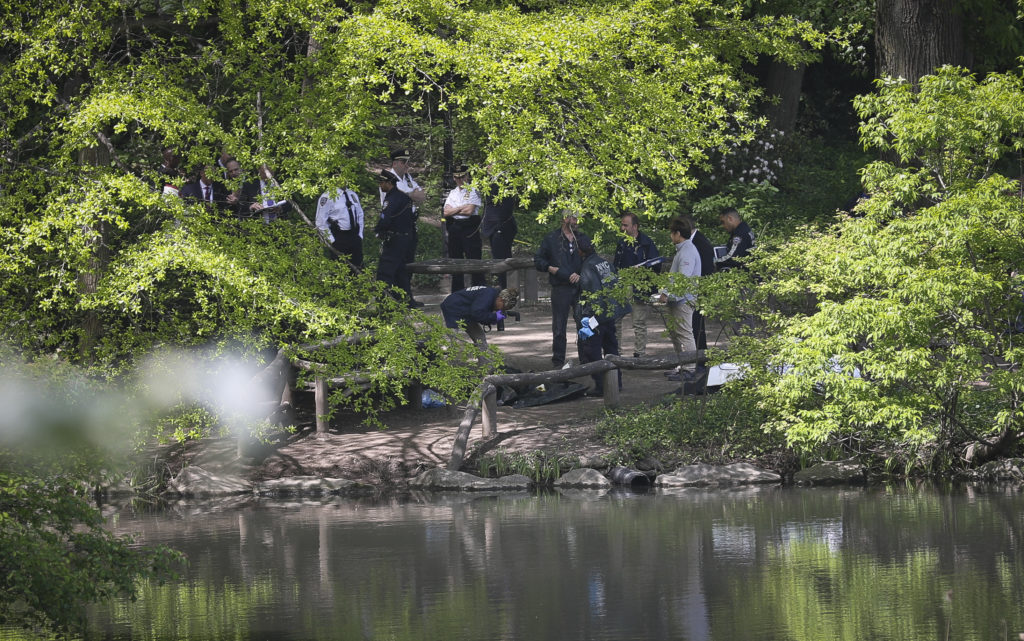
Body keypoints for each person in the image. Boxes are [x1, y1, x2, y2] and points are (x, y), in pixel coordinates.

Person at [534, 211, 590, 368]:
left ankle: (585, 360)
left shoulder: (583, 238)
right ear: (564, 218)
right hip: (560, 288)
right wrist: (550, 268)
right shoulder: (551, 239)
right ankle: (558, 361)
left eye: (577, 218)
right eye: (572, 217)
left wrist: (581, 274)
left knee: (583, 324)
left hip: (580, 288)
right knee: (559, 327)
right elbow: (538, 259)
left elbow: (591, 259)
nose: (575, 221)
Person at [576, 240, 630, 395]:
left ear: (581, 252)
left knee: (592, 350)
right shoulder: (604, 263)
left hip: (597, 316)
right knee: (611, 349)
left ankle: (602, 386)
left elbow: (592, 294)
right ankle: (616, 383)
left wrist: (588, 321)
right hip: (611, 312)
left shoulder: (587, 267)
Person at [380, 150, 425, 307]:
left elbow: (422, 196)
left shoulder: (408, 178)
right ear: (395, 163)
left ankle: (406, 297)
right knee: (394, 264)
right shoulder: (388, 178)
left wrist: (411, 194)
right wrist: (412, 194)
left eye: (408, 162)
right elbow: (406, 196)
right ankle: (393, 299)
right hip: (395, 224)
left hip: (409, 224)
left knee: (407, 263)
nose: (407, 165)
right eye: (404, 162)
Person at [613, 212, 661, 358]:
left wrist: (642, 271)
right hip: (622, 285)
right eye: (622, 224)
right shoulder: (621, 243)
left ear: (635, 226)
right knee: (615, 320)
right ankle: (616, 353)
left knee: (639, 322)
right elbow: (616, 264)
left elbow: (656, 266)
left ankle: (639, 354)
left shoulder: (647, 243)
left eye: (625, 225)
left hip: (640, 287)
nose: (622, 228)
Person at [659, 217, 701, 381]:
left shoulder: (688, 251)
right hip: (677, 299)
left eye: (672, 233)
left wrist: (666, 293)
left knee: (684, 334)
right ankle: (682, 365)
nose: (670, 236)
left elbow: (683, 277)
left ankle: (689, 368)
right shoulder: (682, 250)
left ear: (677, 234)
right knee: (677, 334)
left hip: (684, 300)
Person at [375, 171, 417, 306]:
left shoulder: (391, 199)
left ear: (389, 183)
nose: (380, 185)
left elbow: (385, 218)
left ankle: (384, 303)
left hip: (394, 239)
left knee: (385, 272)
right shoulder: (404, 197)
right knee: (401, 272)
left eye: (382, 182)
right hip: (406, 238)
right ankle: (406, 301)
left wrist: (378, 230)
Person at [442, 165, 484, 291]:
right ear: (454, 178)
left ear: (467, 176)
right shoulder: (453, 192)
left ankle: (478, 290)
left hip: (470, 228)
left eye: (462, 177)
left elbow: (469, 211)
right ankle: (457, 291)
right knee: (456, 261)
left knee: (474, 261)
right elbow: (445, 212)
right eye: (457, 177)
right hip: (455, 228)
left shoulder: (473, 190)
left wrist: (455, 209)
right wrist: (461, 208)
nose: (460, 180)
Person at [440, 286, 518, 349]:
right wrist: (495, 317)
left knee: (480, 338)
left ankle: (486, 367)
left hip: (467, 312)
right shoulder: (487, 295)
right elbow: (477, 315)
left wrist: (494, 317)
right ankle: (440, 366)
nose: (501, 310)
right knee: (448, 341)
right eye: (503, 308)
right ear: (500, 300)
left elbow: (477, 313)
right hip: (451, 309)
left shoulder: (491, 295)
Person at [684, 214, 715, 350]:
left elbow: (706, 268)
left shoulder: (700, 243)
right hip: (694, 289)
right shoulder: (692, 241)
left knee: (696, 326)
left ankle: (700, 360)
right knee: (692, 325)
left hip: (699, 289)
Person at [316, 185, 365, 268]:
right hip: (339, 237)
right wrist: (332, 240)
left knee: (358, 267)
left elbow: (360, 214)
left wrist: (360, 235)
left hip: (354, 236)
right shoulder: (328, 196)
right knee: (340, 269)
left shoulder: (352, 194)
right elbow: (320, 222)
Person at [480, 182, 518, 289]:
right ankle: (504, 287)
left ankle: (507, 289)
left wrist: (498, 227)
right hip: (492, 228)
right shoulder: (488, 183)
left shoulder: (505, 184)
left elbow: (506, 208)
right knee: (498, 259)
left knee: (503, 261)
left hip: (501, 227)